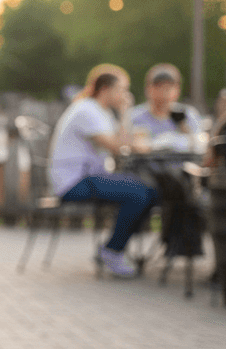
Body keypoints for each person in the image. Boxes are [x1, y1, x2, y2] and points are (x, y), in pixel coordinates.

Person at [48, 65, 157, 278]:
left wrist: (124, 116)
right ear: (105, 89)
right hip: (73, 182)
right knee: (139, 192)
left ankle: (114, 247)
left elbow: (122, 144)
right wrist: (126, 113)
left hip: (89, 177)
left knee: (151, 192)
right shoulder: (87, 110)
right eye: (122, 89)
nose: (126, 95)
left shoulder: (101, 112)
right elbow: (118, 147)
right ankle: (112, 251)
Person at [127, 64, 201, 145]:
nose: (163, 92)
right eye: (158, 87)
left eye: (168, 88)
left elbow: (200, 142)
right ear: (148, 89)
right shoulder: (134, 116)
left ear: (177, 90)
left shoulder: (187, 114)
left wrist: (185, 131)